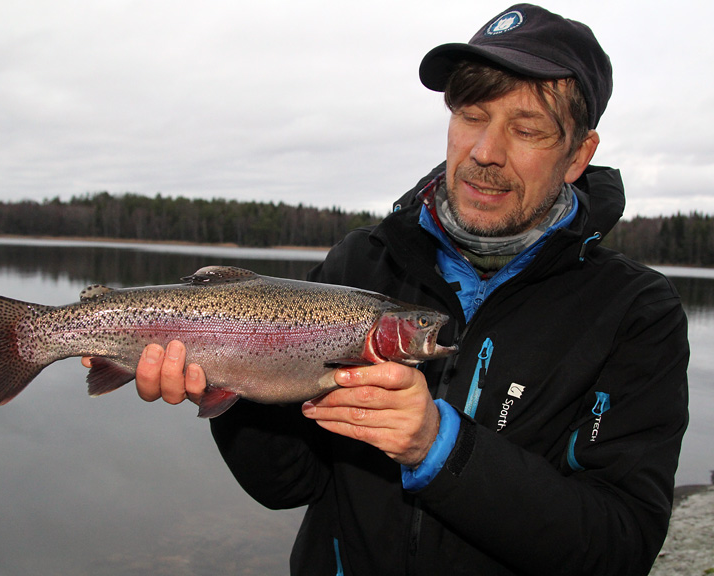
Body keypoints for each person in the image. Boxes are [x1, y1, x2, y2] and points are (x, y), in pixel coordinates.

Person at [118, 5, 690, 575]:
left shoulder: (636, 313)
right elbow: (289, 483)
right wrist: (230, 385)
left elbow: (621, 546)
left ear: (578, 156)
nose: (485, 151)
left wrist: (439, 447)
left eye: (527, 129)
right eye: (471, 115)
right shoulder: (362, 261)